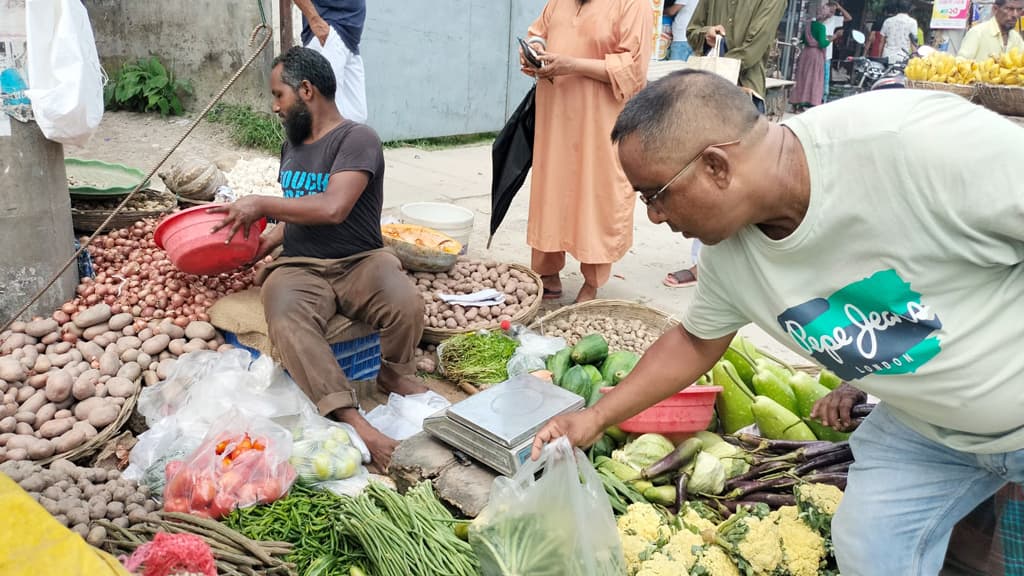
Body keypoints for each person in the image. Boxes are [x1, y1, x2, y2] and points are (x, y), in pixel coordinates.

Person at [532, 69, 1024, 574]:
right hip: (927, 431)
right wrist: (594, 418)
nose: (653, 217)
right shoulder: (730, 254)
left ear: (716, 166)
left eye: (653, 194)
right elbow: (696, 341)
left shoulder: (914, 145)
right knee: (870, 551)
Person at [208, 47, 426, 470]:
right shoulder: (292, 146)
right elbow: (297, 210)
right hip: (300, 265)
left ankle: (394, 372)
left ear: (306, 90)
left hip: (361, 260)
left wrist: (259, 203)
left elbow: (332, 208)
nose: (274, 107)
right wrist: (263, 245)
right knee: (286, 317)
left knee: (405, 299)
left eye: (279, 95)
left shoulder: (356, 139)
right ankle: (351, 419)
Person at [520, 0, 652, 303]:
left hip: (601, 121)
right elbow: (538, 32)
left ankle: (592, 283)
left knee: (597, 196)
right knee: (551, 191)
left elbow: (633, 68)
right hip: (555, 117)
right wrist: (534, 50)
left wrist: (571, 65)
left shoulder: (633, 4)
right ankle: (547, 273)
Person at [662, 0, 786, 289]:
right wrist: (706, 34)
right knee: (702, 175)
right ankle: (702, 263)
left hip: (742, 92)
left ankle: (727, 265)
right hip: (706, 92)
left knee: (738, 181)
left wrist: (721, 68)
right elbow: (691, 31)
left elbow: (754, 49)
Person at [292, 0, 368, 123]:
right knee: (326, 113)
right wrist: (314, 20)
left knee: (358, 116)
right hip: (328, 33)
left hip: (350, 40)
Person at [789, 4, 832, 111]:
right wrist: (832, 39)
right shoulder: (821, 27)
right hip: (815, 55)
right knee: (813, 78)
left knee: (802, 77)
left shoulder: (808, 25)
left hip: (805, 53)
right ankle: (809, 101)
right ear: (826, 17)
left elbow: (803, 39)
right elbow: (822, 43)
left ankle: (796, 102)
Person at [958, 0, 1024, 61]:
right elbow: (960, 65)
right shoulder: (977, 33)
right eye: (1010, 9)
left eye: (1019, 10)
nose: (1015, 15)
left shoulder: (1016, 38)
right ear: (995, 9)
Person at [822, 1, 852, 102]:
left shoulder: (834, 19)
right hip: (818, 52)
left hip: (827, 54)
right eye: (829, 10)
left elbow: (849, 18)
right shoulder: (817, 20)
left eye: (833, 11)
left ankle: (824, 99)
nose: (831, 13)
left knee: (825, 78)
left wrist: (839, 8)